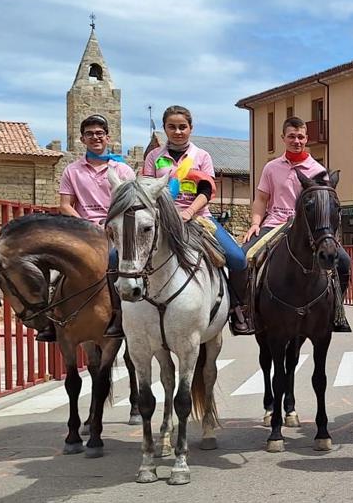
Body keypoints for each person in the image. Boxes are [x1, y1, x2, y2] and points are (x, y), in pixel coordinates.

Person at [142, 106, 253, 334]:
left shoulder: (201, 156)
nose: (178, 131)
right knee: (120, 257)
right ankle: (123, 312)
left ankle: (238, 308)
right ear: (165, 128)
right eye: (172, 127)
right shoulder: (154, 157)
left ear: (191, 128)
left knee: (237, 258)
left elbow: (206, 190)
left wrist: (188, 213)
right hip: (162, 220)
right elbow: (147, 190)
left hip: (198, 218)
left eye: (182, 127)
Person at [244, 116, 351, 331]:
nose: (296, 141)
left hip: (309, 231)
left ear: (306, 139)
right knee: (245, 256)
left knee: (345, 261)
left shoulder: (318, 170)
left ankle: (336, 310)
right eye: (291, 136)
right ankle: (247, 311)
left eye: (301, 137)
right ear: (283, 138)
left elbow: (326, 205)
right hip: (274, 223)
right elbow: (262, 199)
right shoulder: (271, 167)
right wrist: (255, 223)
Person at [41, 114, 135, 341]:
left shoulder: (122, 170)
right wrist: (87, 224)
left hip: (115, 229)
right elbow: (65, 205)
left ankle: (120, 316)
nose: (95, 138)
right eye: (90, 134)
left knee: (118, 264)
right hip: (83, 229)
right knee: (52, 265)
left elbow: (131, 204)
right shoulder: (72, 170)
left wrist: (109, 223)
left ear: (108, 137)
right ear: (82, 139)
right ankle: (51, 320)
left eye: (99, 134)